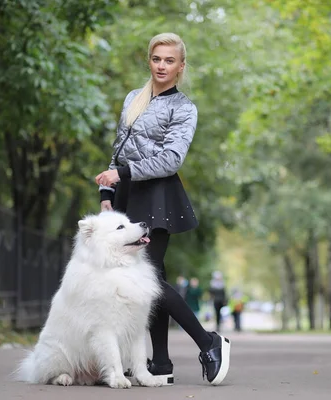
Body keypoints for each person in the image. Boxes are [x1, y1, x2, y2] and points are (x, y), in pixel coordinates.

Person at [95, 32, 230, 386]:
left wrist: (121, 173)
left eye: (170, 61)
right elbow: (119, 150)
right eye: (157, 59)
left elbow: (171, 159)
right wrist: (107, 190)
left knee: (149, 281)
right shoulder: (133, 99)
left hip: (158, 198)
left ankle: (208, 342)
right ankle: (162, 362)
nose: (162, 66)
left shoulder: (183, 108)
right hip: (127, 195)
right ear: (149, 61)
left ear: (181, 67)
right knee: (151, 279)